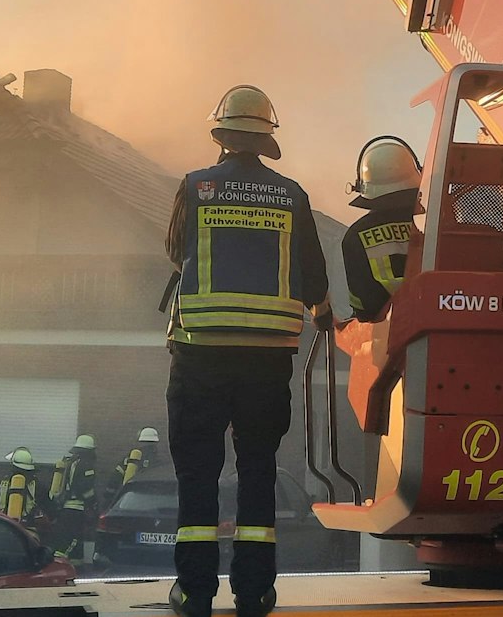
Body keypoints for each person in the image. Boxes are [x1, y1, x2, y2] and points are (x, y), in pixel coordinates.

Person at [163, 85, 331, 617]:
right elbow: (315, 276)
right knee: (258, 471)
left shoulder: (194, 187)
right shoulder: (292, 195)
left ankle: (194, 594)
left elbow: (174, 251)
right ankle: (255, 594)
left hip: (200, 357)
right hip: (266, 362)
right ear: (265, 139)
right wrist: (325, 317)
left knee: (198, 474)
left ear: (221, 135)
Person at [339, 137, 423, 321]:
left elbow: (362, 307)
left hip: (384, 335)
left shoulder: (355, 237)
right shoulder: (432, 225)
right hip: (434, 318)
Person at [47, 435, 101, 559]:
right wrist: (93, 503)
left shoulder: (70, 462)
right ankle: (59, 564)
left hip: (66, 506)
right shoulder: (86, 465)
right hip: (77, 509)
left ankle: (76, 567)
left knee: (69, 539)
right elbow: (86, 488)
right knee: (72, 539)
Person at [107, 426, 160, 502]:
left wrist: (109, 494)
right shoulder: (155, 459)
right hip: (146, 496)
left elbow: (117, 475)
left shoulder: (132, 456)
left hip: (129, 494)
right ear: (156, 443)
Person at [0, 446, 44, 526]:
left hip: (5, 526)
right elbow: (48, 506)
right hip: (27, 528)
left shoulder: (3, 484)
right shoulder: (37, 485)